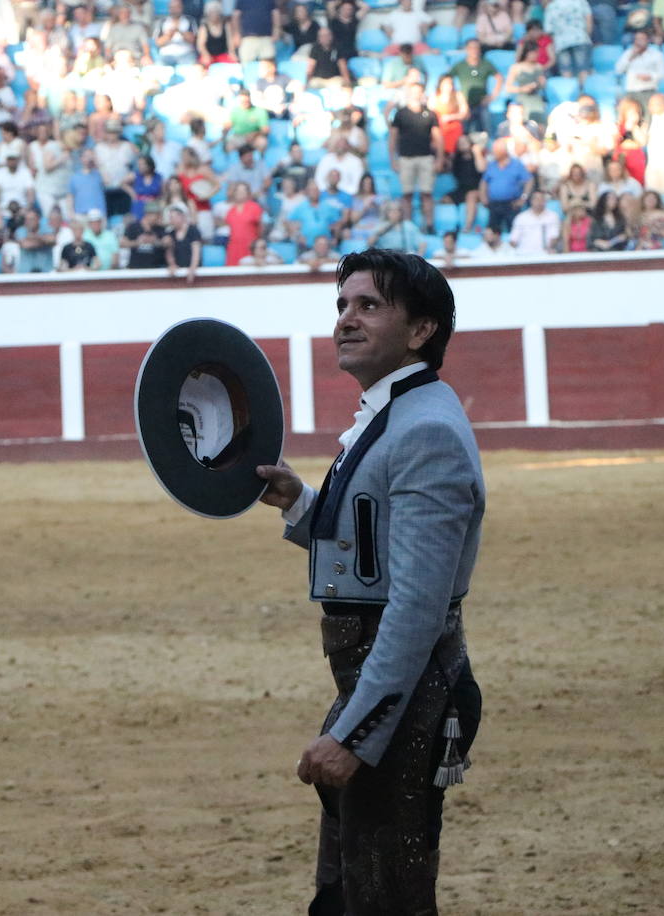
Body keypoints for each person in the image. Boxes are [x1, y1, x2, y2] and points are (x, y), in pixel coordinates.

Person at [255, 248, 483, 916]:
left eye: (369, 305)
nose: (345, 320)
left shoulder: (426, 430)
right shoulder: (401, 413)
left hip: (404, 696)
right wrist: (302, 504)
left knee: (383, 899)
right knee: (351, 892)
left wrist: (356, 735)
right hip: (384, 689)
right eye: (342, 305)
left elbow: (414, 605)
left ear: (422, 331)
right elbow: (373, 546)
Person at [387, 83, 443, 233]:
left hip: (426, 157)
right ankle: (408, 225)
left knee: (427, 193)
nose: (416, 94)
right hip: (406, 158)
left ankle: (429, 225)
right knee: (407, 194)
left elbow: (438, 138)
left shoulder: (430, 114)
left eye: (419, 91)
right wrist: (393, 159)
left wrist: (439, 159)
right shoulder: (400, 114)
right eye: (413, 91)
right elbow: (393, 138)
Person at [479, 138, 532, 234]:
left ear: (504, 152)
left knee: (514, 231)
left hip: (511, 204)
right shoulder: (491, 165)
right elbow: (484, 182)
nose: (493, 153)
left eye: (495, 151)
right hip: (494, 204)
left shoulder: (516, 164)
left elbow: (529, 180)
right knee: (492, 231)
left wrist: (523, 198)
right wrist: (483, 197)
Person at [543, 0, 592, 79]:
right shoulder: (581, 2)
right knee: (583, 69)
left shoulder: (551, 6)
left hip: (560, 42)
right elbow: (588, 19)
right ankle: (583, 90)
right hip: (581, 38)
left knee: (565, 70)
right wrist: (587, 35)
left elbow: (548, 30)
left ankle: (568, 90)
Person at [510, 189, 561, 254]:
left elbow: (554, 237)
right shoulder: (521, 218)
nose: (539, 201)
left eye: (542, 199)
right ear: (531, 201)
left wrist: (547, 250)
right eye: (537, 199)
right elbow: (513, 240)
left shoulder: (553, 216)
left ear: (545, 201)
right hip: (524, 255)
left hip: (546, 255)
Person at [164, 203, 202, 284]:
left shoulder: (193, 231)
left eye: (173, 217)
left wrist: (192, 268)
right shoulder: (171, 233)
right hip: (179, 268)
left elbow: (196, 251)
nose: (171, 220)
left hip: (191, 267)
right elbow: (169, 252)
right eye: (170, 218)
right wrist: (172, 264)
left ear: (182, 216)